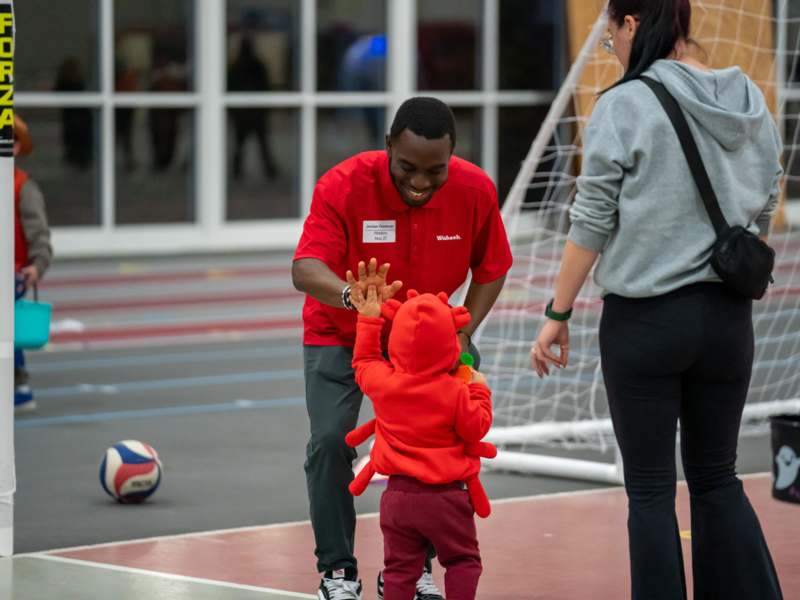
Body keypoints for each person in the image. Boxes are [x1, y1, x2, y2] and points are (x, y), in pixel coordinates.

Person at [530, 2, 784, 599]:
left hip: (646, 321)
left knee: (649, 491)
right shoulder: (746, 95)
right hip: (728, 317)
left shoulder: (623, 104)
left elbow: (592, 219)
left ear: (632, 23)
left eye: (610, 36)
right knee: (717, 476)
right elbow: (770, 193)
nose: (612, 48)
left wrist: (557, 313)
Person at [292, 96, 512, 600]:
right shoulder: (343, 185)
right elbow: (304, 269)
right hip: (342, 331)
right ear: (388, 145)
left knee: (437, 448)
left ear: (452, 154)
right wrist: (352, 297)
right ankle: (338, 571)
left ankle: (412, 570)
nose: (420, 181)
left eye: (435, 171)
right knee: (330, 441)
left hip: (428, 344)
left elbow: (493, 267)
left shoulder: (474, 190)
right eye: (408, 167)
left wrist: (463, 332)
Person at [347, 285, 492, 600]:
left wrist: (369, 320)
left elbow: (364, 361)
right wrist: (479, 390)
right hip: (445, 499)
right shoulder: (455, 392)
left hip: (397, 499)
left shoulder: (385, 383)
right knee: (462, 560)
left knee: (400, 570)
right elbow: (476, 428)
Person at [13, 115, 54, 413]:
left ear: (15, 147)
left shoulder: (23, 188)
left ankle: (19, 385)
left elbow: (39, 232)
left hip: (13, 271)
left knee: (5, 332)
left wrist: (38, 265)